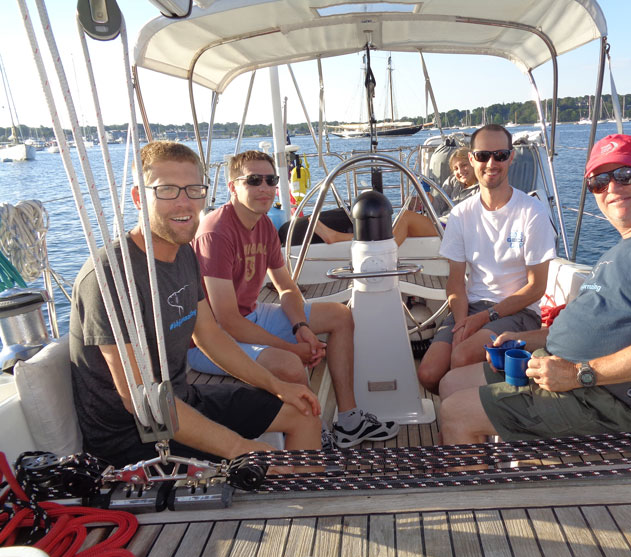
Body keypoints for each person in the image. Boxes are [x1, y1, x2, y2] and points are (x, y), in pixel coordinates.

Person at [438, 134, 631, 445]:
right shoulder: (624, 248)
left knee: (455, 412)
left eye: (626, 175)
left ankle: (483, 493)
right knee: (451, 383)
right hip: (556, 368)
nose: (612, 188)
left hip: (599, 397)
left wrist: (577, 374)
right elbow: (596, 327)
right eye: (599, 182)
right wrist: (524, 340)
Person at [69, 142, 322, 469]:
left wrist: (279, 386)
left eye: (193, 189)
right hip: (134, 437)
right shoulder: (109, 277)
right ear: (137, 198)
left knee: (304, 413)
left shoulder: (184, 253)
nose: (184, 202)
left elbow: (210, 336)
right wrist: (240, 448)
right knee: (259, 457)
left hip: (183, 400)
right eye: (167, 190)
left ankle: (300, 497)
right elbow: (140, 400)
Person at [189, 150, 399, 448]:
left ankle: (349, 420)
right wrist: (293, 348)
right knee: (289, 364)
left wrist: (302, 327)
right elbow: (227, 320)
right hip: (210, 340)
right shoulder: (215, 233)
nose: (264, 187)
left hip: (250, 315)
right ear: (233, 187)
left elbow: (286, 288)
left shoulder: (263, 225)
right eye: (253, 180)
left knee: (339, 315)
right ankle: (315, 432)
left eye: (270, 180)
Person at [416, 124, 558, 394]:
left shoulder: (532, 213)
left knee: (461, 357)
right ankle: (468, 403)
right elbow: (456, 282)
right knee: (428, 373)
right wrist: (460, 325)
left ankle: (473, 415)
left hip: (518, 311)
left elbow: (536, 288)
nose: (491, 163)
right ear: (471, 159)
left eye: (500, 155)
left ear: (511, 158)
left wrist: (485, 318)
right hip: (471, 307)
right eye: (482, 156)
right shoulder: (461, 214)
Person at [313, 147, 479, 246]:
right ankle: (337, 237)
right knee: (388, 225)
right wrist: (427, 201)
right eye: (455, 168)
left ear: (473, 163)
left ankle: (383, 255)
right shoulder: (453, 182)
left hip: (455, 230)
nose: (459, 171)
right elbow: (438, 209)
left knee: (405, 218)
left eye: (464, 165)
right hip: (441, 224)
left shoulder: (481, 190)